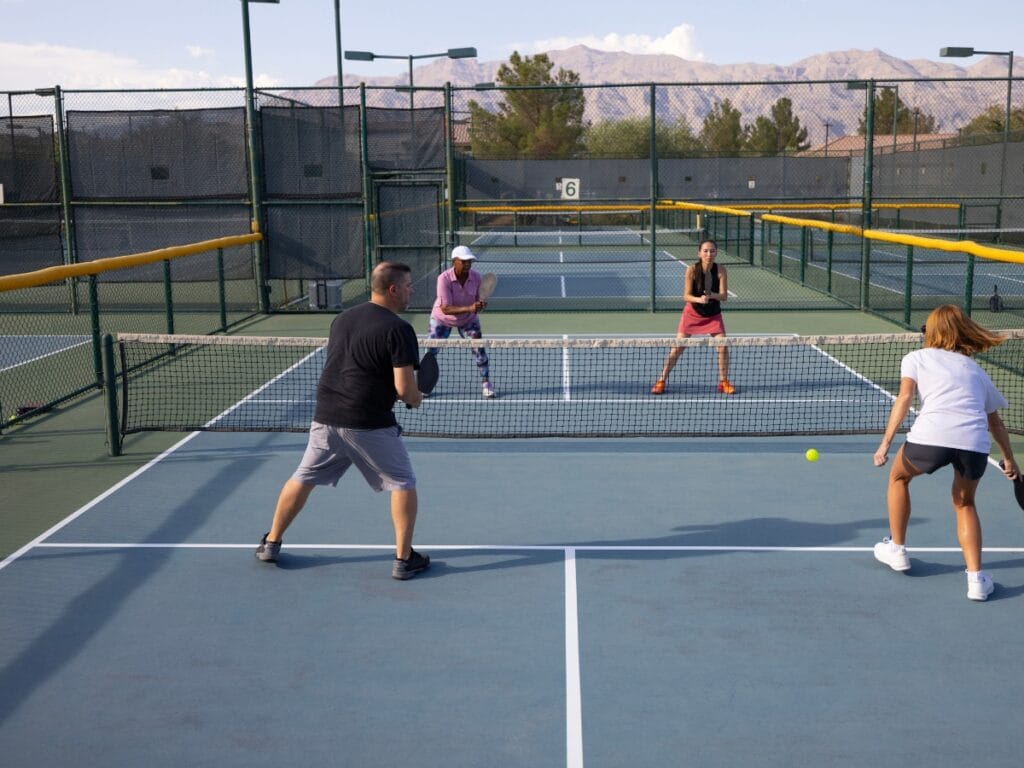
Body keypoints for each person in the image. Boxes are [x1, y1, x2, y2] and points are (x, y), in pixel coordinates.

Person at [255, 261, 431, 580]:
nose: (411, 290)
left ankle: (271, 542)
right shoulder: (398, 329)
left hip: (326, 415)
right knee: (403, 482)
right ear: (393, 289)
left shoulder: (343, 318)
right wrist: (416, 398)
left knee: (304, 476)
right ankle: (404, 560)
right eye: (407, 285)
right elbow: (405, 389)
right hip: (366, 422)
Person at [873, 304, 1019, 601]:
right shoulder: (976, 371)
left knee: (899, 477)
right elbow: (995, 422)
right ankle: (976, 580)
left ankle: (897, 549)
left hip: (932, 437)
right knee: (965, 504)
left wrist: (885, 443)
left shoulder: (915, 358)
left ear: (932, 331)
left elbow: (904, 398)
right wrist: (1009, 458)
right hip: (974, 445)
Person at [650, 237, 735, 395]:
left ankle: (723, 382)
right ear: (699, 253)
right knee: (677, 348)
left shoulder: (721, 270)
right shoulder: (691, 270)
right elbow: (686, 296)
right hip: (692, 313)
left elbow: (724, 296)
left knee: (722, 346)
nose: (709, 254)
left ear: (716, 253)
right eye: (705, 251)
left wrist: (713, 296)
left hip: (713, 315)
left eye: (712, 251)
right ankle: (661, 380)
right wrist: (699, 299)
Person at [428, 245, 495, 398]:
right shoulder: (443, 279)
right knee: (430, 353)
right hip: (442, 319)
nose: (467, 264)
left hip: (468, 319)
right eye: (464, 261)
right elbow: (446, 308)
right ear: (454, 261)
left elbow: (478, 301)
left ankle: (486, 384)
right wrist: (471, 307)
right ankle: (424, 385)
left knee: (479, 349)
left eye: (469, 261)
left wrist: (480, 305)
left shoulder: (476, 277)